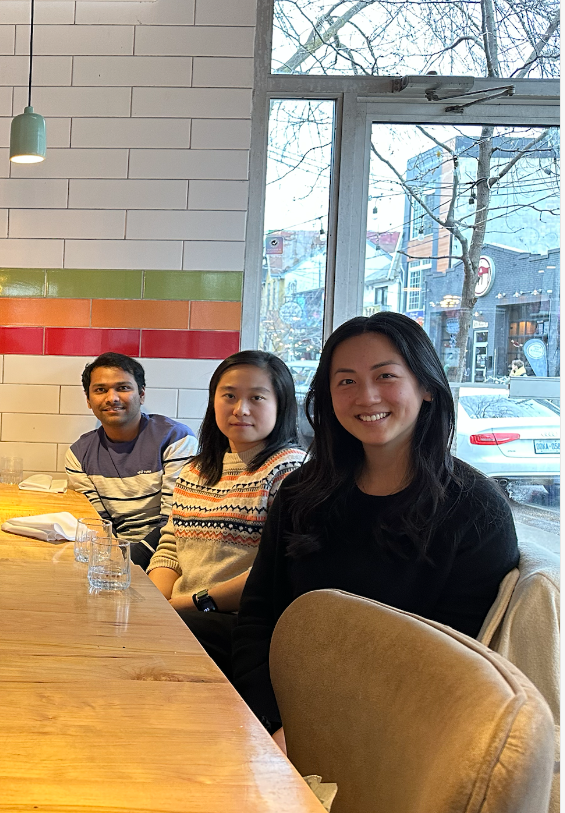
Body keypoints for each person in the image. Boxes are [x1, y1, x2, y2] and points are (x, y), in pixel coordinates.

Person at [231, 312, 519, 751]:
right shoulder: (301, 492)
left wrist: (326, 734)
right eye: (345, 381)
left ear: (426, 387)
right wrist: (273, 722)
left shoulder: (474, 510)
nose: (366, 396)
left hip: (395, 746)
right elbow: (257, 617)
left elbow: (451, 666)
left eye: (385, 376)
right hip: (278, 725)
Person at [146, 351, 305, 676]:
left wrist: (183, 606)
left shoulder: (291, 470)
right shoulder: (195, 470)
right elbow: (170, 548)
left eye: (257, 397)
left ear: (282, 404)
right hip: (185, 614)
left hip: (245, 626)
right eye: (229, 395)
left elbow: (275, 573)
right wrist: (152, 603)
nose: (240, 409)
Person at [65, 352, 198, 566]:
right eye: (100, 390)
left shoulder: (176, 439)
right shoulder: (79, 455)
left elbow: (175, 521)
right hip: (113, 557)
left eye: (123, 388)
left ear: (142, 394)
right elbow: (100, 524)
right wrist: (112, 562)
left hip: (170, 557)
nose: (112, 398)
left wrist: (127, 564)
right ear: (88, 400)